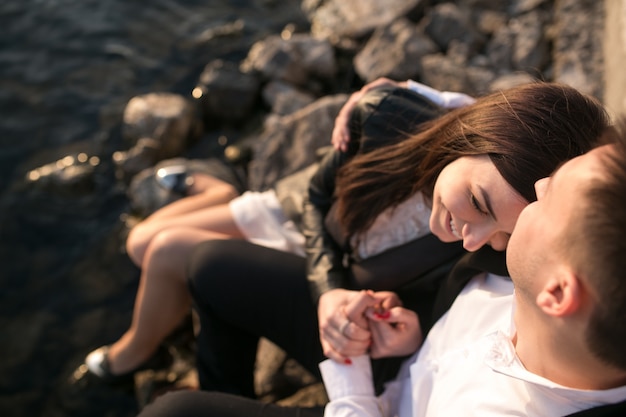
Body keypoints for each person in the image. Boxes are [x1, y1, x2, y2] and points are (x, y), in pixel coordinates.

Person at [135, 118, 626, 417]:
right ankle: (230, 392)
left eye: (552, 195)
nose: (539, 187)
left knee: (174, 413)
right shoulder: (519, 280)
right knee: (214, 266)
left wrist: (350, 376)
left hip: (365, 402)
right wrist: (412, 338)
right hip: (398, 362)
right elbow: (505, 139)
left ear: (558, 295)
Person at [78, 80, 476, 383]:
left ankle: (136, 351)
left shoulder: (484, 237)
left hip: (325, 268)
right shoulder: (450, 131)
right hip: (306, 212)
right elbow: (320, 192)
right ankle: (223, 193)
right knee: (140, 242)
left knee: (165, 251)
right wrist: (377, 96)